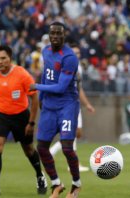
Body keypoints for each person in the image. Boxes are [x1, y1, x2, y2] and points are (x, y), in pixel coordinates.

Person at [0, 45, 47, 196]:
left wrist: (31, 123)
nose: (0, 61)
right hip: (1, 116)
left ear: (10, 58)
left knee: (29, 150)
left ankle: (40, 175)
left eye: (3, 58)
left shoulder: (22, 74)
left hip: (21, 116)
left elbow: (34, 98)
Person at [29, 22, 81, 198]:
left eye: (59, 33)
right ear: (49, 35)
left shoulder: (70, 57)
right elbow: (46, 74)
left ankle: (76, 184)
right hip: (49, 107)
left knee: (67, 148)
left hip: (67, 105)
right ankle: (57, 184)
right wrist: (42, 99)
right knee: (42, 147)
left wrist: (37, 87)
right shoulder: (45, 51)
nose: (56, 36)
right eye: (53, 33)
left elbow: (60, 87)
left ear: (64, 36)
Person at [49, 44, 95, 172]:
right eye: (74, 52)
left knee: (76, 133)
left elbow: (79, 89)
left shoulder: (78, 67)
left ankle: (55, 152)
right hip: (69, 103)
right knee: (72, 132)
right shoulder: (69, 66)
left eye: (78, 53)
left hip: (73, 102)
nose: (77, 55)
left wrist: (86, 104)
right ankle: (72, 163)